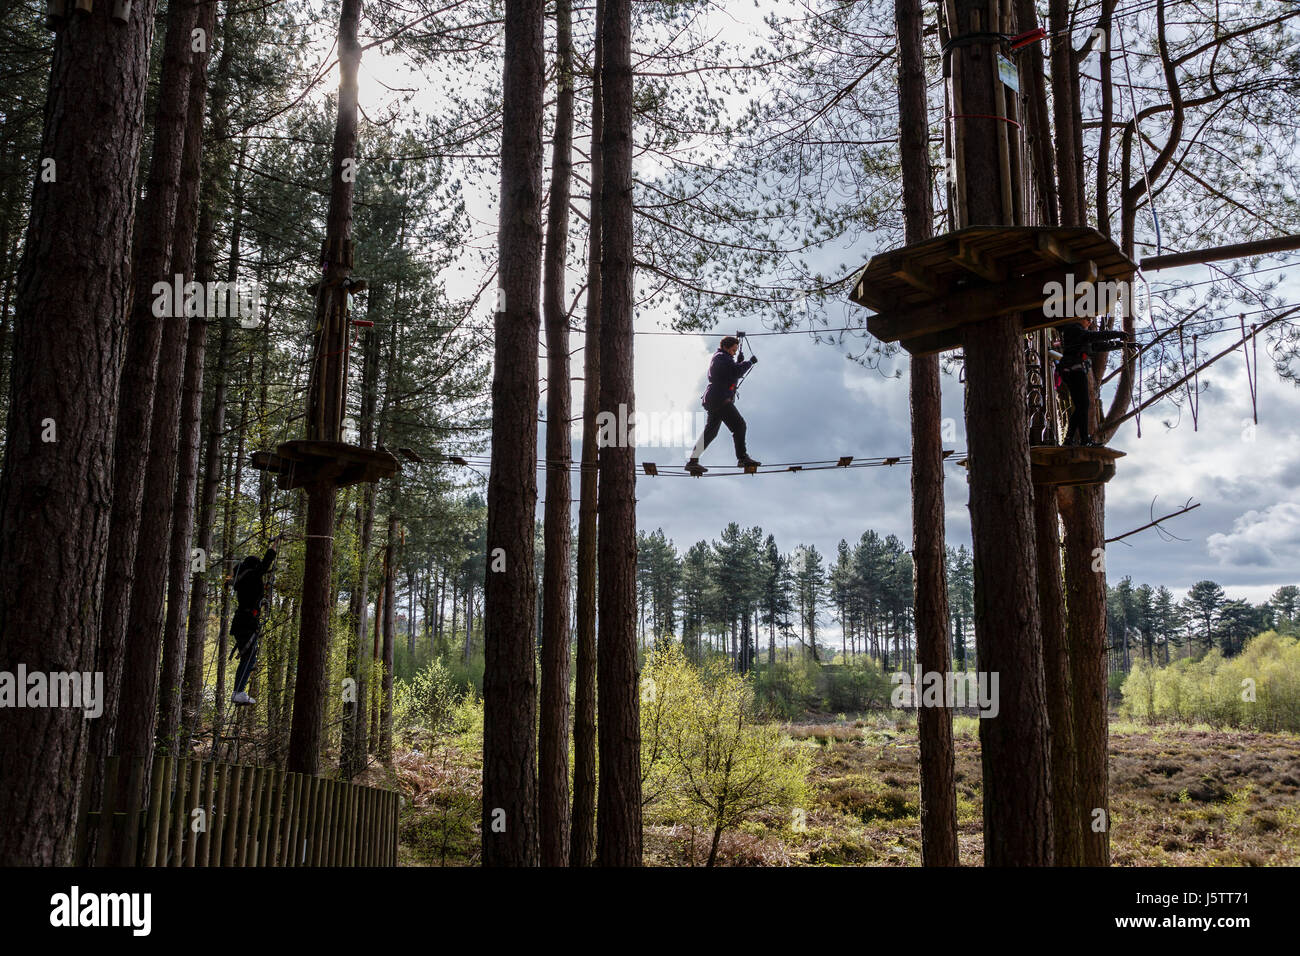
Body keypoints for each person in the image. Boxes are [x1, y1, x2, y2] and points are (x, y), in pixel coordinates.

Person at [687, 335, 761, 470]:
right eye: (733, 350)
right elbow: (735, 372)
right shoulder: (721, 357)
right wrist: (748, 363)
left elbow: (730, 374)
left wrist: (737, 363)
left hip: (714, 399)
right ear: (725, 347)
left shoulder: (722, 358)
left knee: (711, 432)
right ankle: (742, 458)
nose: (734, 352)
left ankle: (693, 461)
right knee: (739, 425)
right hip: (719, 399)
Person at [1054, 317, 1128, 447]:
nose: (1090, 322)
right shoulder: (1074, 329)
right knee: (1083, 405)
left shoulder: (1080, 334)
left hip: (1072, 371)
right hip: (1074, 370)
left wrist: (1122, 344)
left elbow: (1097, 346)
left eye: (1091, 320)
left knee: (1081, 406)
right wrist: (1117, 334)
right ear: (1080, 318)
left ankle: (1070, 439)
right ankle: (1083, 440)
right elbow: (1092, 337)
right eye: (1088, 319)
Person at [229, 538, 279, 706]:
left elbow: (251, 597)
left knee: (249, 657)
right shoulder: (251, 575)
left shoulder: (243, 580)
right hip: (246, 622)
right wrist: (274, 545)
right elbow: (265, 564)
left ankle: (239, 691)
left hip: (243, 621)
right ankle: (238, 692)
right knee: (249, 656)